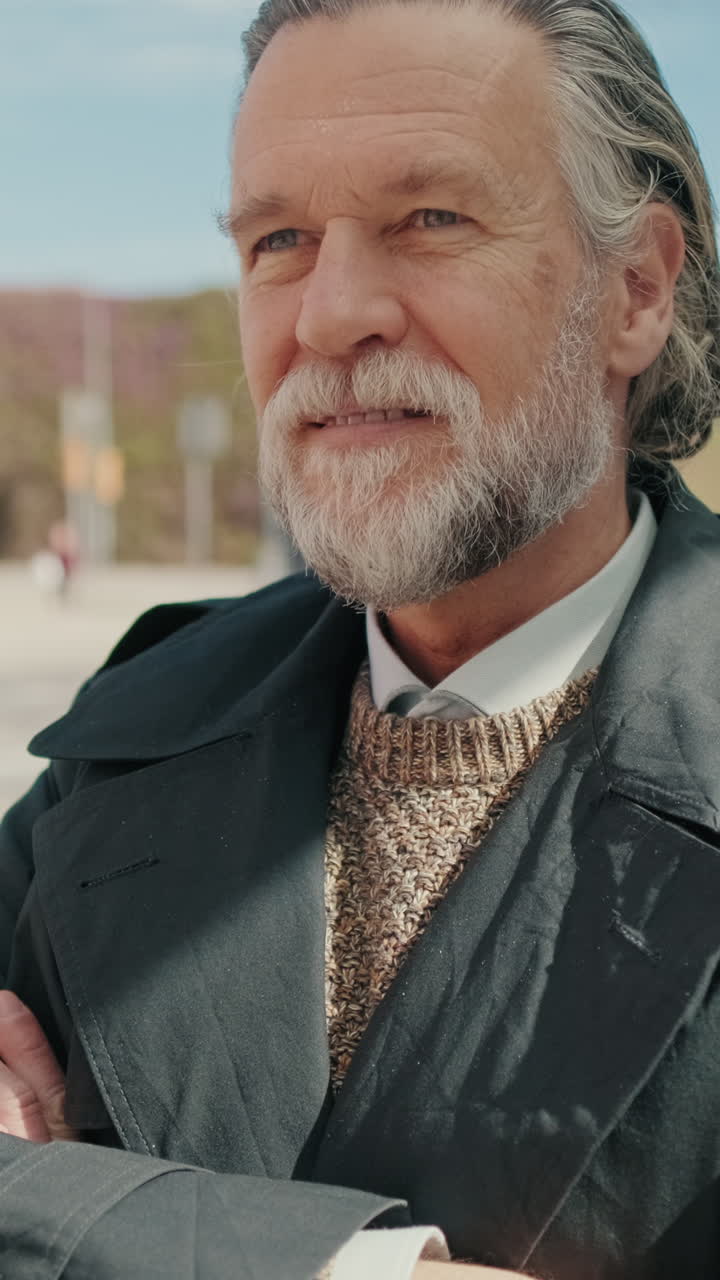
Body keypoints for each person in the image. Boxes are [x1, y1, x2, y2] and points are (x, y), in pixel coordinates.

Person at [1, 0, 719, 1276]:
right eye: (278, 238)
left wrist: (98, 1213)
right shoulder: (136, 724)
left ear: (638, 288)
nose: (331, 314)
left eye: (430, 219)